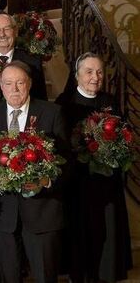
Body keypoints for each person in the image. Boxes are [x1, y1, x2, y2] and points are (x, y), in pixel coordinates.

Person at [0, 61, 69, 283]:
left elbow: (68, 163)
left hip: (42, 214)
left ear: (29, 84)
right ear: (0, 86)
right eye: (8, 83)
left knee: (45, 276)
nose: (15, 89)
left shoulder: (51, 113)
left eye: (20, 83)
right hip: (4, 216)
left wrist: (46, 180)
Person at [54, 53, 132, 283]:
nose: (95, 77)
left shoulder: (110, 100)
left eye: (99, 72)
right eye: (89, 72)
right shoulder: (64, 102)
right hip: (78, 183)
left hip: (107, 183)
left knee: (107, 231)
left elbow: (122, 137)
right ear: (77, 75)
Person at [0, 13, 47, 100]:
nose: (2, 34)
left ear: (16, 31)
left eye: (7, 28)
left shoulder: (32, 62)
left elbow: (41, 100)